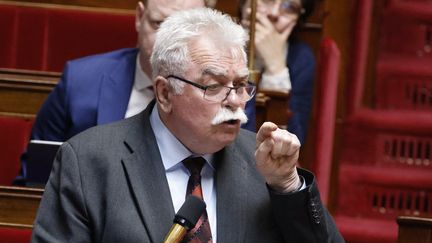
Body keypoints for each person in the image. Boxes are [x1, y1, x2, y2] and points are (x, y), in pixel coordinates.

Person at [31, 8, 343, 242]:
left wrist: (287, 186)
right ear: (165, 92)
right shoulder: (89, 162)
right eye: (214, 86)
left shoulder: (264, 164)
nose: (235, 100)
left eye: (241, 85)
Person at [14, 0, 256, 185]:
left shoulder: (232, 93)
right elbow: (34, 179)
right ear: (140, 16)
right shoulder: (80, 80)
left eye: (186, 33)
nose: (168, 43)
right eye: (159, 24)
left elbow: (237, 176)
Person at [240, 0, 316, 144]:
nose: (274, 13)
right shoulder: (210, 41)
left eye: (290, 7)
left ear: (298, 19)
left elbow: (293, 143)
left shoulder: (301, 57)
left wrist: (276, 68)